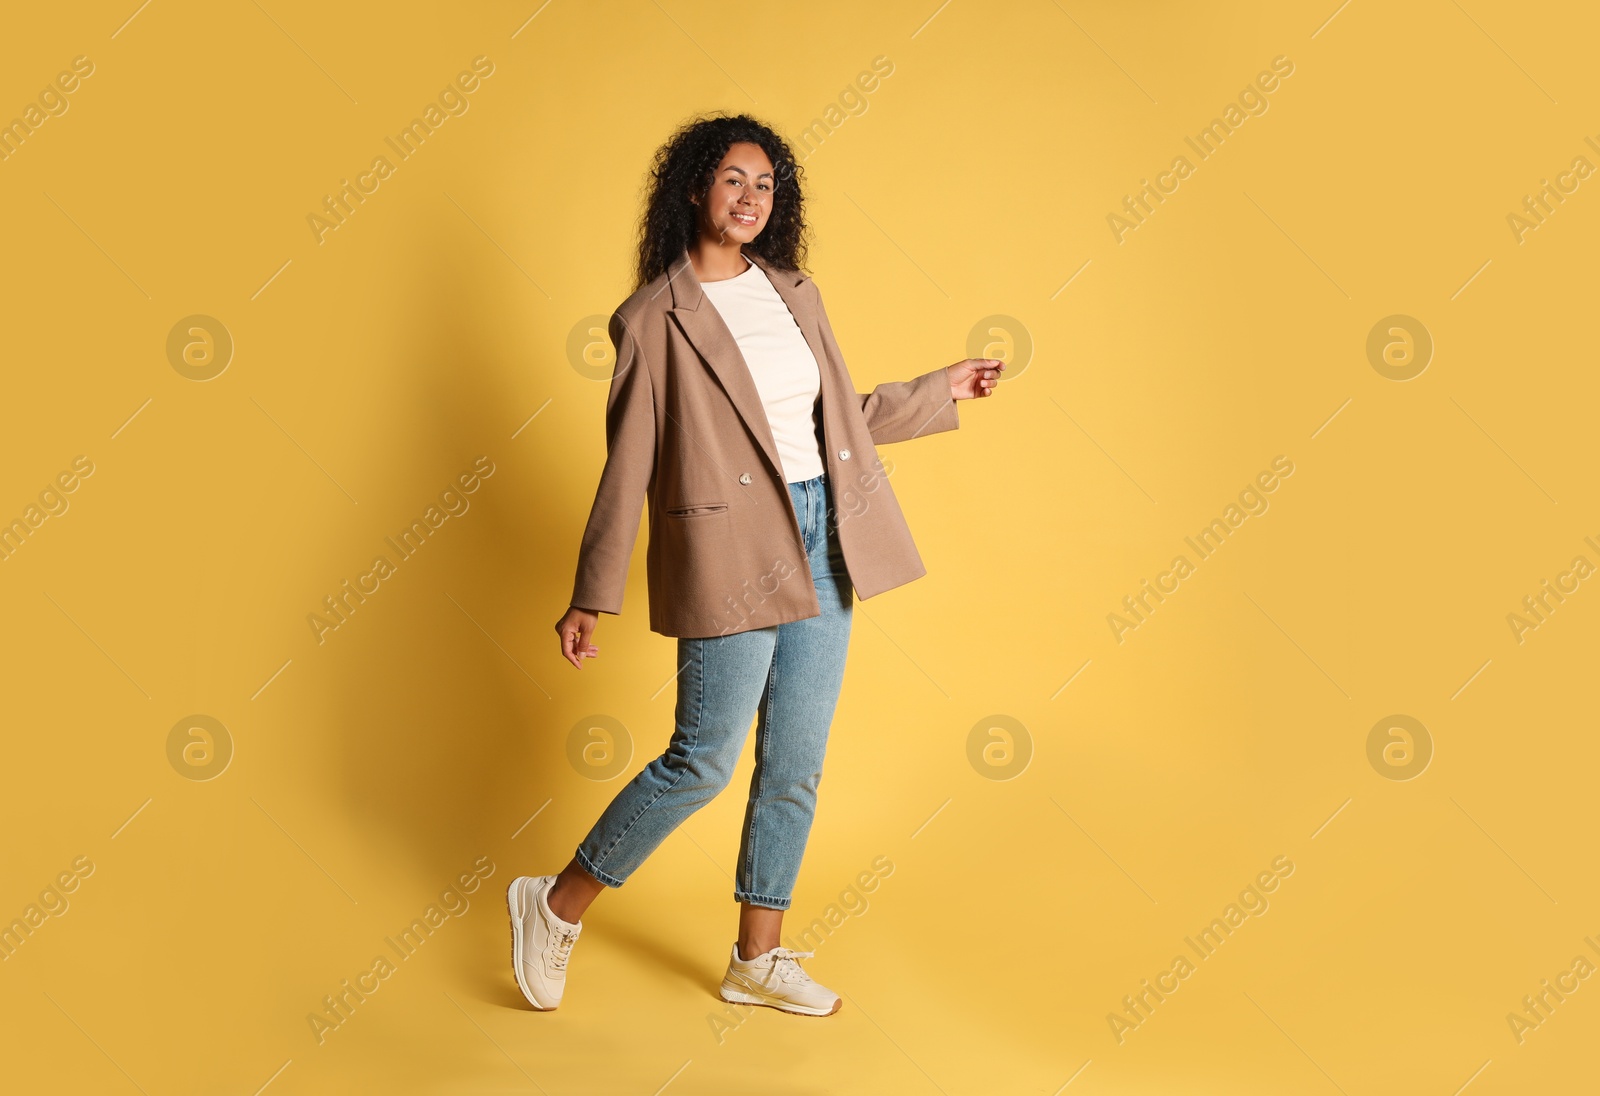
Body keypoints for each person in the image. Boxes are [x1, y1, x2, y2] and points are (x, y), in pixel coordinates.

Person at [508, 112, 1004, 1017]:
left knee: (796, 761)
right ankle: (555, 903)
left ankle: (756, 958)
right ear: (696, 189)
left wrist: (939, 390)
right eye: (734, 179)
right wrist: (592, 593)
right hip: (729, 546)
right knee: (701, 759)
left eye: (766, 184)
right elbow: (628, 461)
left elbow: (831, 419)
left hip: (824, 534)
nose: (750, 197)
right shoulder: (653, 318)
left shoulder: (792, 293)